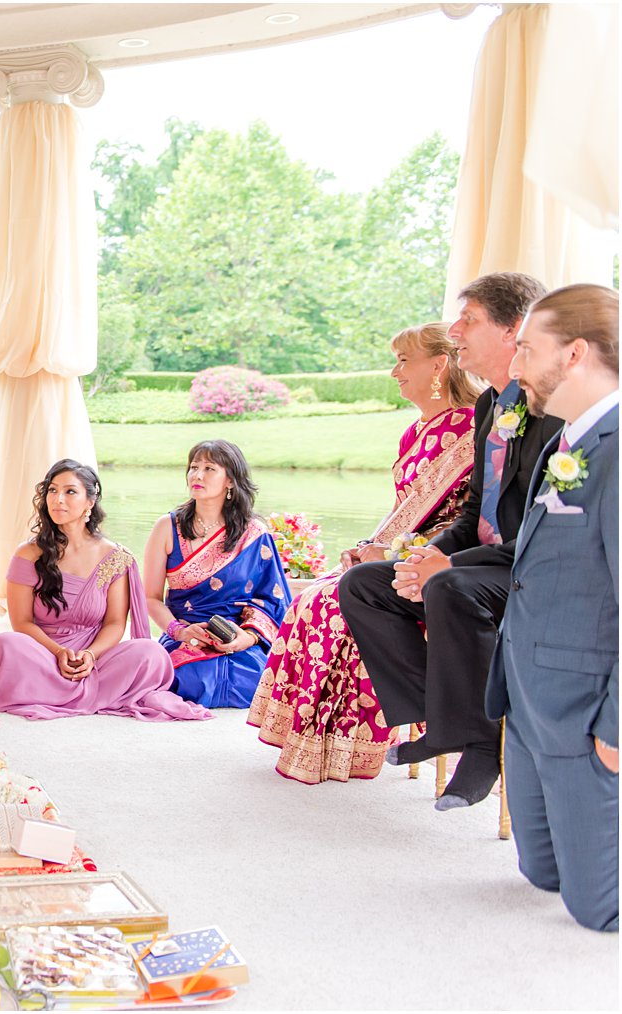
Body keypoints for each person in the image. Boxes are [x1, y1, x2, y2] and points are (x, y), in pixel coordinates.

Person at [339, 272, 563, 810]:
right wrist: (430, 554)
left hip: (534, 565)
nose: (455, 329)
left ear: (513, 331)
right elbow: (476, 511)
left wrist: (448, 566)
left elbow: (542, 525)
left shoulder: (554, 409)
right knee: (365, 585)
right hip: (483, 557)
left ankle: (482, 745)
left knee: (451, 589)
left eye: (470, 320)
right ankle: (443, 720)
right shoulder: (491, 407)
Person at [249, 323, 479, 783]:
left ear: (438, 365)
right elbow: (403, 511)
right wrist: (369, 548)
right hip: (402, 550)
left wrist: (399, 553)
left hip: (443, 560)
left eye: (403, 360)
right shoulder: (414, 432)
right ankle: (319, 742)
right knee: (312, 597)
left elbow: (468, 523)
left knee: (335, 608)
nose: (395, 371)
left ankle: (352, 744)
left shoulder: (470, 425)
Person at [491, 283, 618, 931]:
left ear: (573, 354)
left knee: (599, 910)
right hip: (530, 701)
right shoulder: (561, 442)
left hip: (585, 716)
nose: (514, 368)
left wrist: (615, 736)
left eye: (525, 349)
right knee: (541, 874)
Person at [0, 460, 212, 722]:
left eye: (70, 492)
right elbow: (21, 623)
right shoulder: (28, 554)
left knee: (151, 652)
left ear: (90, 501)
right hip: (42, 654)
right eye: (52, 491)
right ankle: (89, 693)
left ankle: (55, 693)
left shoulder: (114, 557)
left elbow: (113, 624)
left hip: (95, 659)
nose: (58, 500)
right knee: (4, 645)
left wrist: (89, 655)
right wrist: (58, 653)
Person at [142, 440, 291, 709]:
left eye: (209, 468)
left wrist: (245, 638)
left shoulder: (254, 533)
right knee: (185, 680)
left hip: (237, 637)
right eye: (193, 467)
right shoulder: (167, 527)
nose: (197, 476)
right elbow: (150, 598)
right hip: (186, 635)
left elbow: (272, 600)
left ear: (230, 481)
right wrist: (182, 632)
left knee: (256, 680)